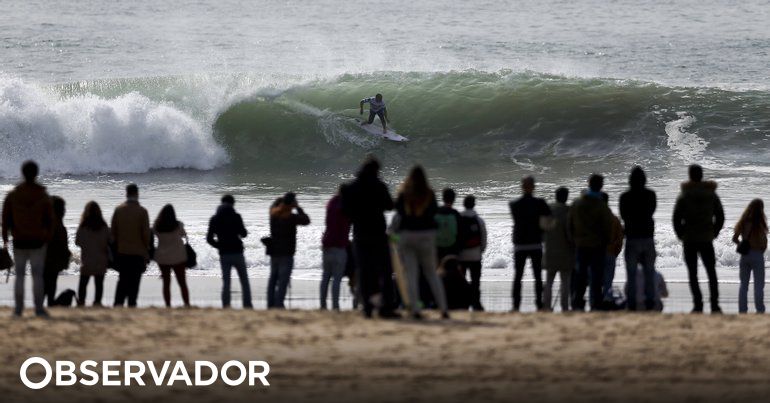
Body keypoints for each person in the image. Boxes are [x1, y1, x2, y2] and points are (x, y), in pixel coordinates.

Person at [340, 156, 398, 318]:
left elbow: (344, 212)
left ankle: (367, 307)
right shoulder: (379, 186)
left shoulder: (350, 188)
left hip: (360, 234)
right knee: (385, 271)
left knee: (365, 271)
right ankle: (386, 307)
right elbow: (389, 205)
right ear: (376, 170)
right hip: (378, 234)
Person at [394, 165, 449, 319]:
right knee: (431, 273)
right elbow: (434, 213)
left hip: (407, 236)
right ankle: (443, 309)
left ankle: (415, 310)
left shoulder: (404, 193)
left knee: (411, 274)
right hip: (426, 236)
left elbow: (398, 212)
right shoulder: (429, 193)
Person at [2, 161, 55, 317]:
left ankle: (18, 310)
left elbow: (5, 219)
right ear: (36, 173)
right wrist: (47, 237)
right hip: (38, 241)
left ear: (23, 173)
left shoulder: (13, 194)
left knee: (19, 276)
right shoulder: (42, 194)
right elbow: (50, 220)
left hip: (19, 241)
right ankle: (38, 309)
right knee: (37, 275)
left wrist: (5, 238)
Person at [673, 164, 724, 314]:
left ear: (690, 176)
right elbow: (720, 216)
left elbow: (676, 218)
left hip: (689, 239)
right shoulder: (711, 194)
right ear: (702, 176)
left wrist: (680, 234)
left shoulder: (684, 195)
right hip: (706, 238)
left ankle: (698, 304)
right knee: (711, 272)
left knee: (693, 273)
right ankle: (714, 305)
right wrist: (715, 232)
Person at [568, 174, 613, 311]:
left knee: (581, 275)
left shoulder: (577, 203)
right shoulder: (601, 204)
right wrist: (606, 242)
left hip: (581, 245)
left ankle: (577, 302)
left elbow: (569, 224)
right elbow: (608, 226)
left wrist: (573, 241)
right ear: (600, 186)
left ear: (588, 184)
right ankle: (595, 303)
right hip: (597, 246)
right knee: (596, 275)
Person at [509, 176, 551, 311]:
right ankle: (539, 303)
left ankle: (516, 305)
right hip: (535, 243)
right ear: (534, 187)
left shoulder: (514, 204)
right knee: (537, 276)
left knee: (518, 276)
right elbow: (549, 221)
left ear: (522, 186)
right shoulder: (540, 203)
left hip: (520, 244)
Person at [619, 166, 657, 311]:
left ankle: (632, 304)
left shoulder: (625, 196)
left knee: (631, 273)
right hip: (647, 237)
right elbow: (652, 210)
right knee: (649, 272)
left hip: (632, 238)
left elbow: (623, 215)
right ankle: (650, 302)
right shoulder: (650, 195)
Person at [207, 194, 252, 309]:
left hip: (224, 253)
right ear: (233, 204)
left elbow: (209, 239)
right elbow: (244, 234)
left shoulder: (214, 219)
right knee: (244, 281)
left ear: (221, 203)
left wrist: (219, 246)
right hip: (237, 252)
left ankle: (226, 305)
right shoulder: (236, 216)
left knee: (226, 282)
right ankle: (247, 305)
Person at [267, 192, 310, 309]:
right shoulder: (291, 217)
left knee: (273, 279)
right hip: (286, 254)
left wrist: (283, 201)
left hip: (274, 252)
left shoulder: (273, 214)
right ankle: (279, 304)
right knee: (283, 281)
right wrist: (298, 208)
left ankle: (270, 304)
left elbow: (273, 206)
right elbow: (306, 220)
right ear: (292, 204)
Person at [111, 183, 151, 308]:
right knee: (135, 282)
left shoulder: (119, 210)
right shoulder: (142, 212)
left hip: (122, 252)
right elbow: (146, 235)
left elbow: (113, 233)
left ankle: (118, 304)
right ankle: (131, 304)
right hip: (138, 253)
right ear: (137, 194)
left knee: (122, 280)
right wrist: (147, 251)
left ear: (126, 193)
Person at [542, 187, 574, 312]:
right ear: (566, 197)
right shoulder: (569, 211)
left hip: (550, 250)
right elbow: (571, 233)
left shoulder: (548, 210)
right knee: (565, 281)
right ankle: (565, 307)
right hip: (565, 252)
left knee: (549, 280)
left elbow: (543, 229)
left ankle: (546, 306)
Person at [732, 199, 767, 314]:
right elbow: (764, 242)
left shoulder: (743, 221)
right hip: (757, 255)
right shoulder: (761, 223)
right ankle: (760, 310)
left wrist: (742, 244)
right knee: (758, 285)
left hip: (745, 255)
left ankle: (742, 311)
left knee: (743, 285)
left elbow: (734, 238)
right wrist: (761, 249)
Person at [153, 204, 191, 308]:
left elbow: (153, 234)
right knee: (182, 282)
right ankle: (187, 304)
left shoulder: (157, 225)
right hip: (178, 256)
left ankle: (168, 305)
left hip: (163, 257)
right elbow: (184, 235)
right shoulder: (178, 225)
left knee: (166, 283)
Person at [320, 187, 351, 311]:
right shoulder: (346, 206)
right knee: (337, 278)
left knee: (325, 277)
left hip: (327, 244)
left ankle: (322, 304)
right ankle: (335, 305)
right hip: (339, 246)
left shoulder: (331, 203)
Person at [75, 201, 110, 307]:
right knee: (99, 284)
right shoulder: (104, 227)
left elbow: (77, 242)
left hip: (87, 260)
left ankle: (81, 302)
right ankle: (97, 302)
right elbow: (110, 241)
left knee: (83, 283)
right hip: (101, 260)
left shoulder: (83, 227)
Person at [458, 195, 487, 311]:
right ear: (474, 205)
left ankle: (462, 303)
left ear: (463, 205)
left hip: (461, 256)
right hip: (475, 255)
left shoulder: (458, 218)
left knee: (461, 281)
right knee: (475, 281)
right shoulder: (479, 220)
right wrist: (480, 251)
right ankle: (476, 304)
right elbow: (483, 238)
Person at [43, 196, 71, 306]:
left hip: (45, 259)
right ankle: (50, 303)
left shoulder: (46, 223)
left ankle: (42, 304)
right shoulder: (59, 225)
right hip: (55, 260)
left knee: (45, 283)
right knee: (52, 282)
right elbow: (63, 245)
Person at [602, 193, 624, 306]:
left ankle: (594, 303)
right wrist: (615, 253)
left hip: (596, 254)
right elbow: (620, 239)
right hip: (610, 253)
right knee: (608, 281)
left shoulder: (592, 219)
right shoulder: (614, 219)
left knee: (595, 280)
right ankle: (606, 300)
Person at [435, 188, 462, 260]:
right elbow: (461, 234)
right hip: (452, 249)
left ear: (443, 198)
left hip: (438, 249)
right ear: (454, 199)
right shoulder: (456, 214)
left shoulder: (436, 212)